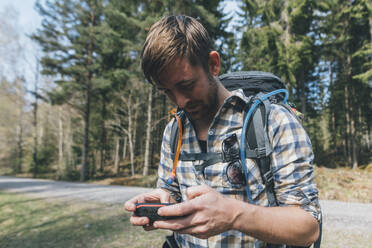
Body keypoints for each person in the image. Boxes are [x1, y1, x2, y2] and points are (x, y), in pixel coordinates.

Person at [124, 15, 321, 248]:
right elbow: (172, 191)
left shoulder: (273, 121)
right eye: (167, 91)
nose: (180, 101)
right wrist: (164, 202)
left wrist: (234, 215)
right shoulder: (174, 131)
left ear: (213, 64)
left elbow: (308, 228)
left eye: (186, 85)